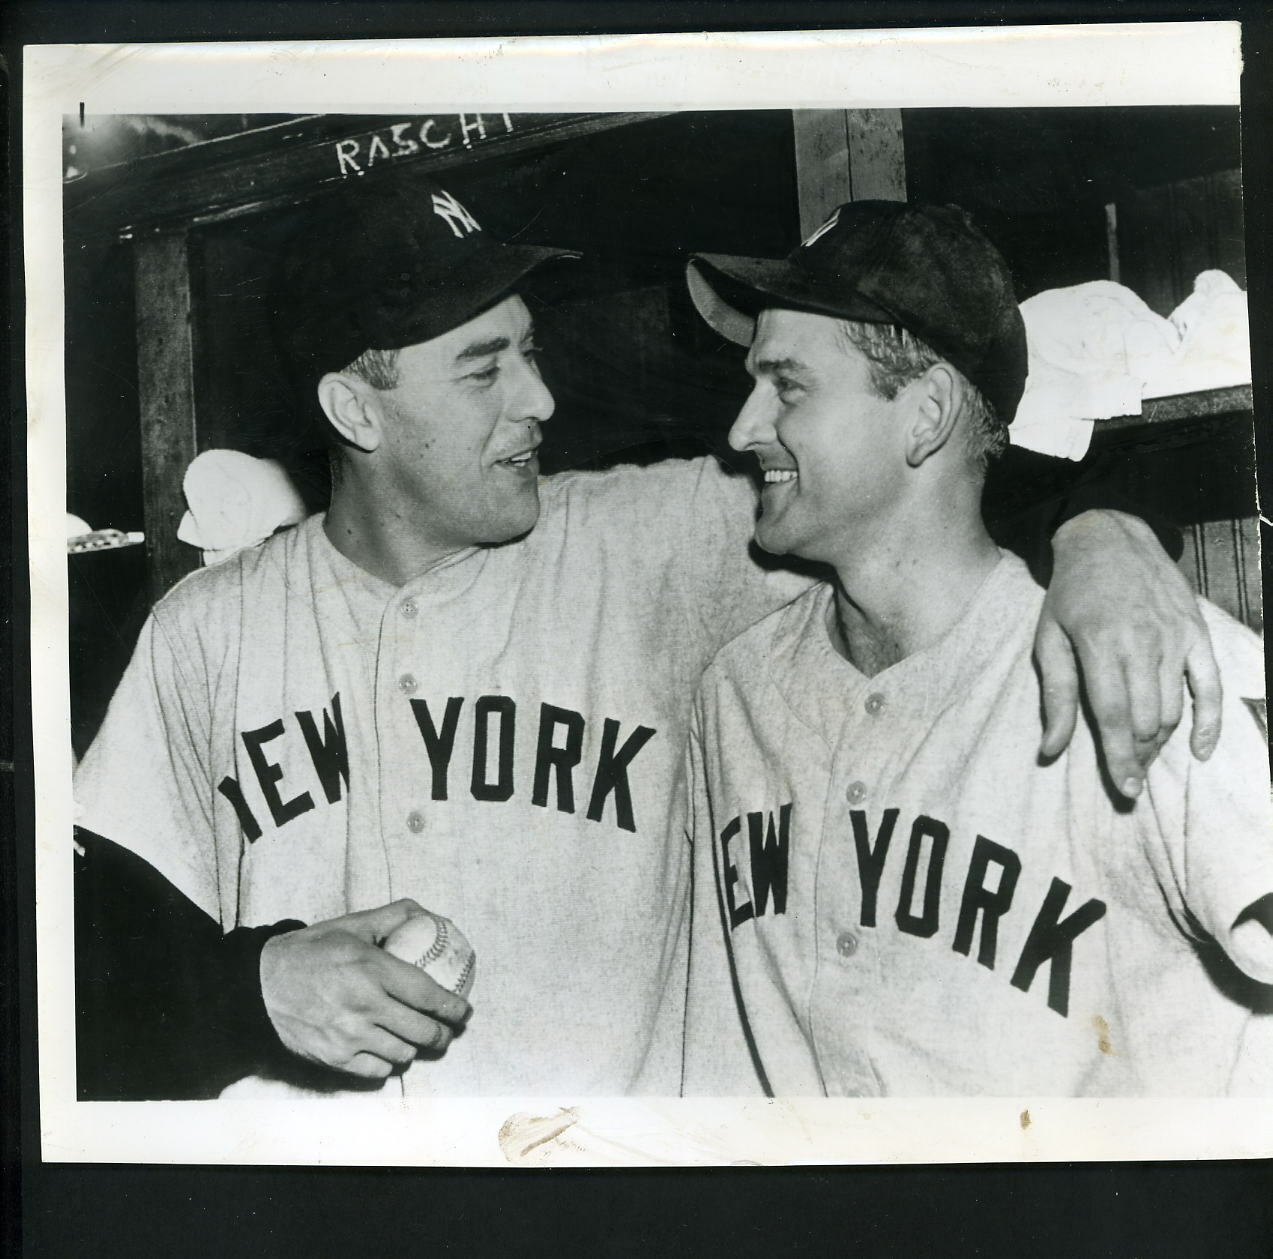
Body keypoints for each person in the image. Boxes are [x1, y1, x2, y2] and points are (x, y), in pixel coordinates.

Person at [74, 177, 1222, 1099]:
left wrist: (1106, 534)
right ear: (355, 411)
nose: (540, 401)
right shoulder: (205, 631)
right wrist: (252, 985)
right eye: (485, 369)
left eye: (528, 350)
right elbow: (82, 977)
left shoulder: (649, 546)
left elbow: (918, 498)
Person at [680, 200, 1272, 1096]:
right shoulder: (736, 693)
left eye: (787, 385)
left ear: (925, 415)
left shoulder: (1147, 658)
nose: (741, 427)